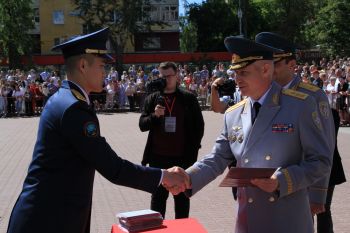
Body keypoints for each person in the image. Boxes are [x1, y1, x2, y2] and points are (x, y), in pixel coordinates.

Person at [6, 28, 189, 233]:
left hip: (49, 216)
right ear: (83, 65)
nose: (105, 72)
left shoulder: (66, 99)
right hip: (47, 221)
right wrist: (164, 176)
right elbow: (113, 167)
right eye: (102, 66)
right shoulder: (74, 108)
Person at [171, 36, 333, 233]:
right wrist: (188, 177)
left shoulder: (300, 105)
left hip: (286, 218)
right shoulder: (233, 113)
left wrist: (281, 181)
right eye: (236, 73)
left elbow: (321, 161)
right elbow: (217, 157)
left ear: (265, 70)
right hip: (247, 218)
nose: (237, 79)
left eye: (244, 73)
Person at [255, 32, 336, 216]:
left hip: (300, 184)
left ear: (291, 65)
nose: (267, 69)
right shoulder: (260, 95)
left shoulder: (314, 96)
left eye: (274, 63)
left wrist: (318, 194)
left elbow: (325, 148)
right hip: (265, 186)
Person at [139, 61, 204, 219]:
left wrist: (192, 155)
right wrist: (155, 116)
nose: (166, 79)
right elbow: (142, 125)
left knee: (182, 199)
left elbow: (199, 127)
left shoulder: (188, 98)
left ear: (177, 76)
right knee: (158, 200)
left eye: (170, 76)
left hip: (181, 159)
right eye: (163, 76)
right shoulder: (153, 98)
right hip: (157, 158)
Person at [316, 108, 346, 233]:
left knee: (322, 209)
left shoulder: (330, 113)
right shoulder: (331, 112)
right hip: (328, 167)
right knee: (322, 210)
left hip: (326, 167)